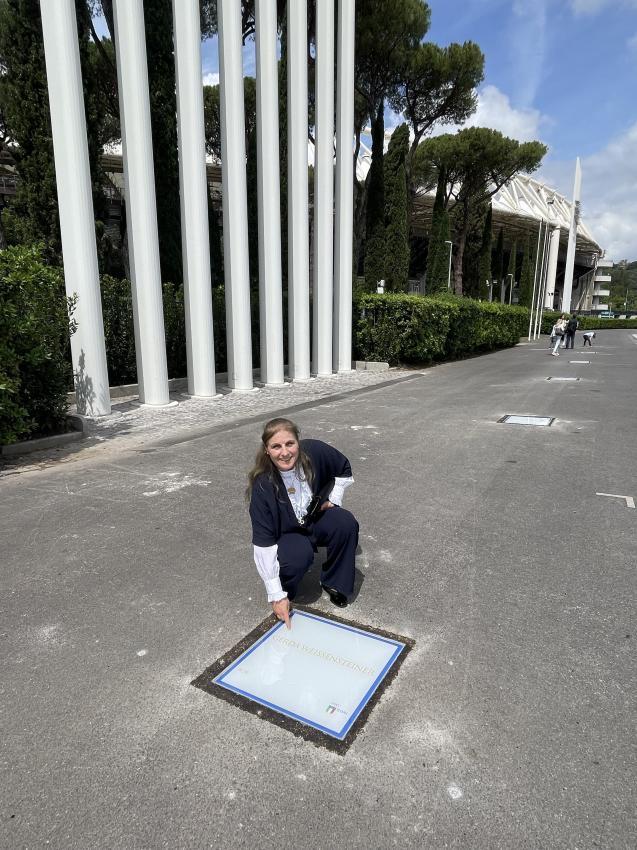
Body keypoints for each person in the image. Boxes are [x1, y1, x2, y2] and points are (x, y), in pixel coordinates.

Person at [247, 417, 359, 629]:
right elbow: (264, 546)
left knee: (344, 523)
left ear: (298, 442)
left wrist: (332, 500)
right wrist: (276, 595)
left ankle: (335, 582)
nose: (285, 452)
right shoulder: (262, 487)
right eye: (276, 446)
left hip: (315, 518)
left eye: (290, 443)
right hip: (289, 533)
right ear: (266, 450)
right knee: (298, 556)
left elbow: (343, 468)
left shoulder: (314, 452)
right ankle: (286, 587)